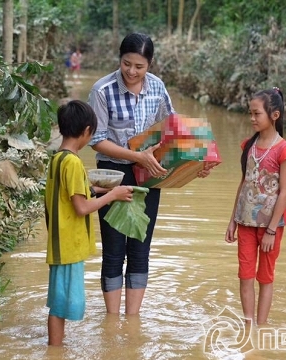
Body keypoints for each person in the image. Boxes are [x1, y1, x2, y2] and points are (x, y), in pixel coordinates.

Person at [88, 32, 210, 315]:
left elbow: (173, 130)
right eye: (126, 64)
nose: (131, 71)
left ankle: (132, 321)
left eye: (139, 66)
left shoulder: (157, 87)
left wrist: (196, 163)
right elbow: (97, 139)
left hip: (149, 175)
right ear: (119, 59)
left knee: (140, 249)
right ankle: (112, 320)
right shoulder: (102, 90)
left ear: (150, 65)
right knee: (114, 249)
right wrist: (136, 157)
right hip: (112, 175)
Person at [44, 100, 133, 345]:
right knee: (61, 305)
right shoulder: (73, 163)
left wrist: (99, 189)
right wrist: (113, 195)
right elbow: (81, 207)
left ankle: (55, 350)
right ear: (86, 132)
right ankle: (56, 351)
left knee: (57, 300)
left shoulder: (58, 159)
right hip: (68, 243)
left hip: (59, 241)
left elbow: (71, 194)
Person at [225, 88, 286, 325]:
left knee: (265, 277)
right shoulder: (248, 146)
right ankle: (248, 327)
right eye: (250, 113)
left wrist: (272, 231)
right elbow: (244, 183)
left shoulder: (284, 149)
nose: (252, 118)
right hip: (245, 222)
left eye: (257, 114)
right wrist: (233, 219)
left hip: (270, 227)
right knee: (245, 276)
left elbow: (284, 191)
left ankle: (261, 326)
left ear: (274, 115)